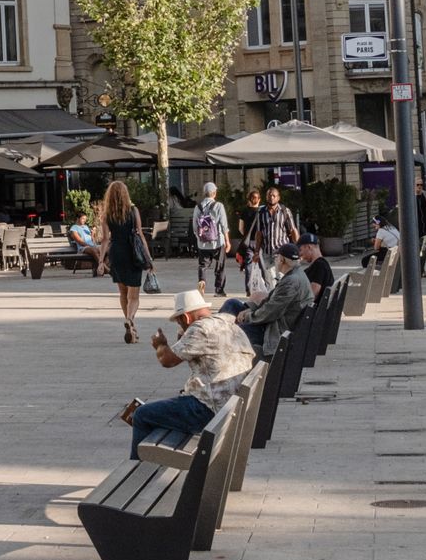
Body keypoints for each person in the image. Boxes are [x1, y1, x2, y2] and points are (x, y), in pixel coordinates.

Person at [120, 290, 253, 458]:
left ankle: (136, 471)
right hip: (228, 406)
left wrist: (160, 344)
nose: (180, 326)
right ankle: (151, 461)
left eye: (179, 321)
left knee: (141, 414)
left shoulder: (200, 328)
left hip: (208, 409)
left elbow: (167, 360)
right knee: (159, 411)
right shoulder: (229, 324)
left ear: (186, 318)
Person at [93, 180, 154, 343]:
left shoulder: (107, 215)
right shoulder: (133, 211)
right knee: (134, 296)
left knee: (123, 293)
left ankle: (132, 330)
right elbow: (140, 235)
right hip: (133, 253)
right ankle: (130, 319)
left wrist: (100, 261)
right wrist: (149, 259)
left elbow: (105, 239)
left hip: (117, 254)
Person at [227, 245, 313, 356]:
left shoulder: (291, 282)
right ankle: (215, 329)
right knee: (232, 304)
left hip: (274, 331)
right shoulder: (296, 274)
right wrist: (250, 309)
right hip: (274, 323)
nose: (275, 261)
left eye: (277, 258)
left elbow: (270, 312)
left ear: (282, 260)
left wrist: (248, 317)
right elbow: (270, 301)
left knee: (231, 334)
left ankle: (213, 337)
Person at [190, 182, 230, 293]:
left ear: (204, 193)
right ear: (214, 193)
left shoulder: (198, 207)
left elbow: (194, 226)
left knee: (203, 265)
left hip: (202, 243)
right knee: (220, 265)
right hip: (218, 242)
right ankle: (219, 289)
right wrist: (227, 241)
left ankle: (202, 281)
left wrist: (200, 237)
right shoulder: (219, 206)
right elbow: (224, 225)